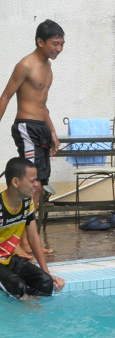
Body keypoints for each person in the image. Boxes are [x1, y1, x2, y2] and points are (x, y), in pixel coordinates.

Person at [0, 19, 64, 258]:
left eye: (61, 44)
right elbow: (6, 96)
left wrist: (53, 132)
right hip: (26, 127)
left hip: (41, 128)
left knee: (38, 185)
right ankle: (19, 242)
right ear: (40, 42)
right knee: (30, 182)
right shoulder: (25, 65)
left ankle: (26, 242)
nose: (58, 48)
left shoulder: (48, 68)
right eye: (54, 44)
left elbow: (42, 105)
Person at [0, 157, 65, 299]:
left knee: (45, 283)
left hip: (9, 259)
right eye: (32, 181)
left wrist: (47, 272)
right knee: (19, 288)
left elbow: (33, 237)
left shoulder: (26, 203)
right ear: (15, 182)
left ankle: (35, 307)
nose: (36, 184)